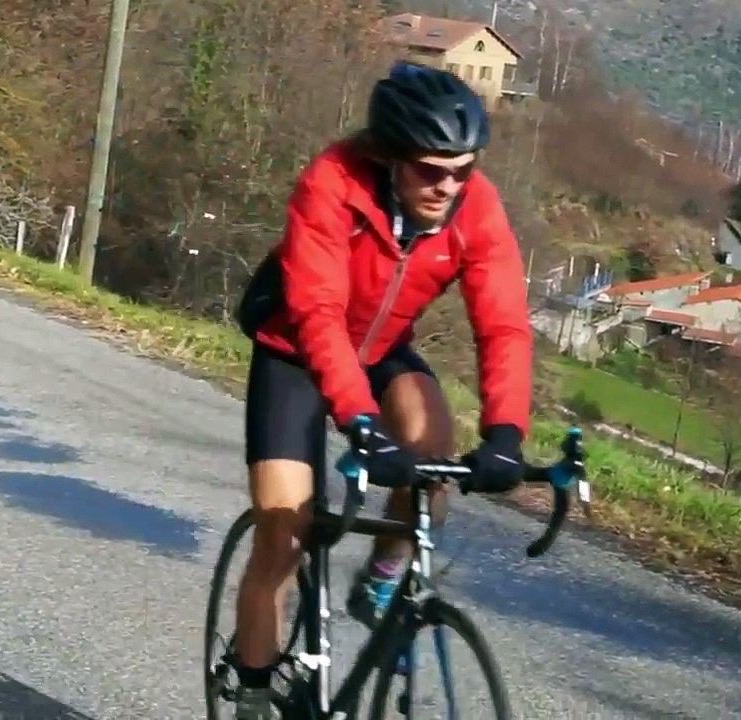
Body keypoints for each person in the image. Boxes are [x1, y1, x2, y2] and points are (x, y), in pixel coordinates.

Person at [229, 61, 534, 719]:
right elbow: (317, 312)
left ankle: (384, 580)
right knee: (283, 534)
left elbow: (504, 324)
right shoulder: (332, 183)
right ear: (391, 157)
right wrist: (362, 426)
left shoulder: (475, 207)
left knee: (434, 454)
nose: (448, 186)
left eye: (463, 170)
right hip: (295, 351)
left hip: (380, 349)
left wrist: (507, 433)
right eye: (430, 170)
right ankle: (252, 686)